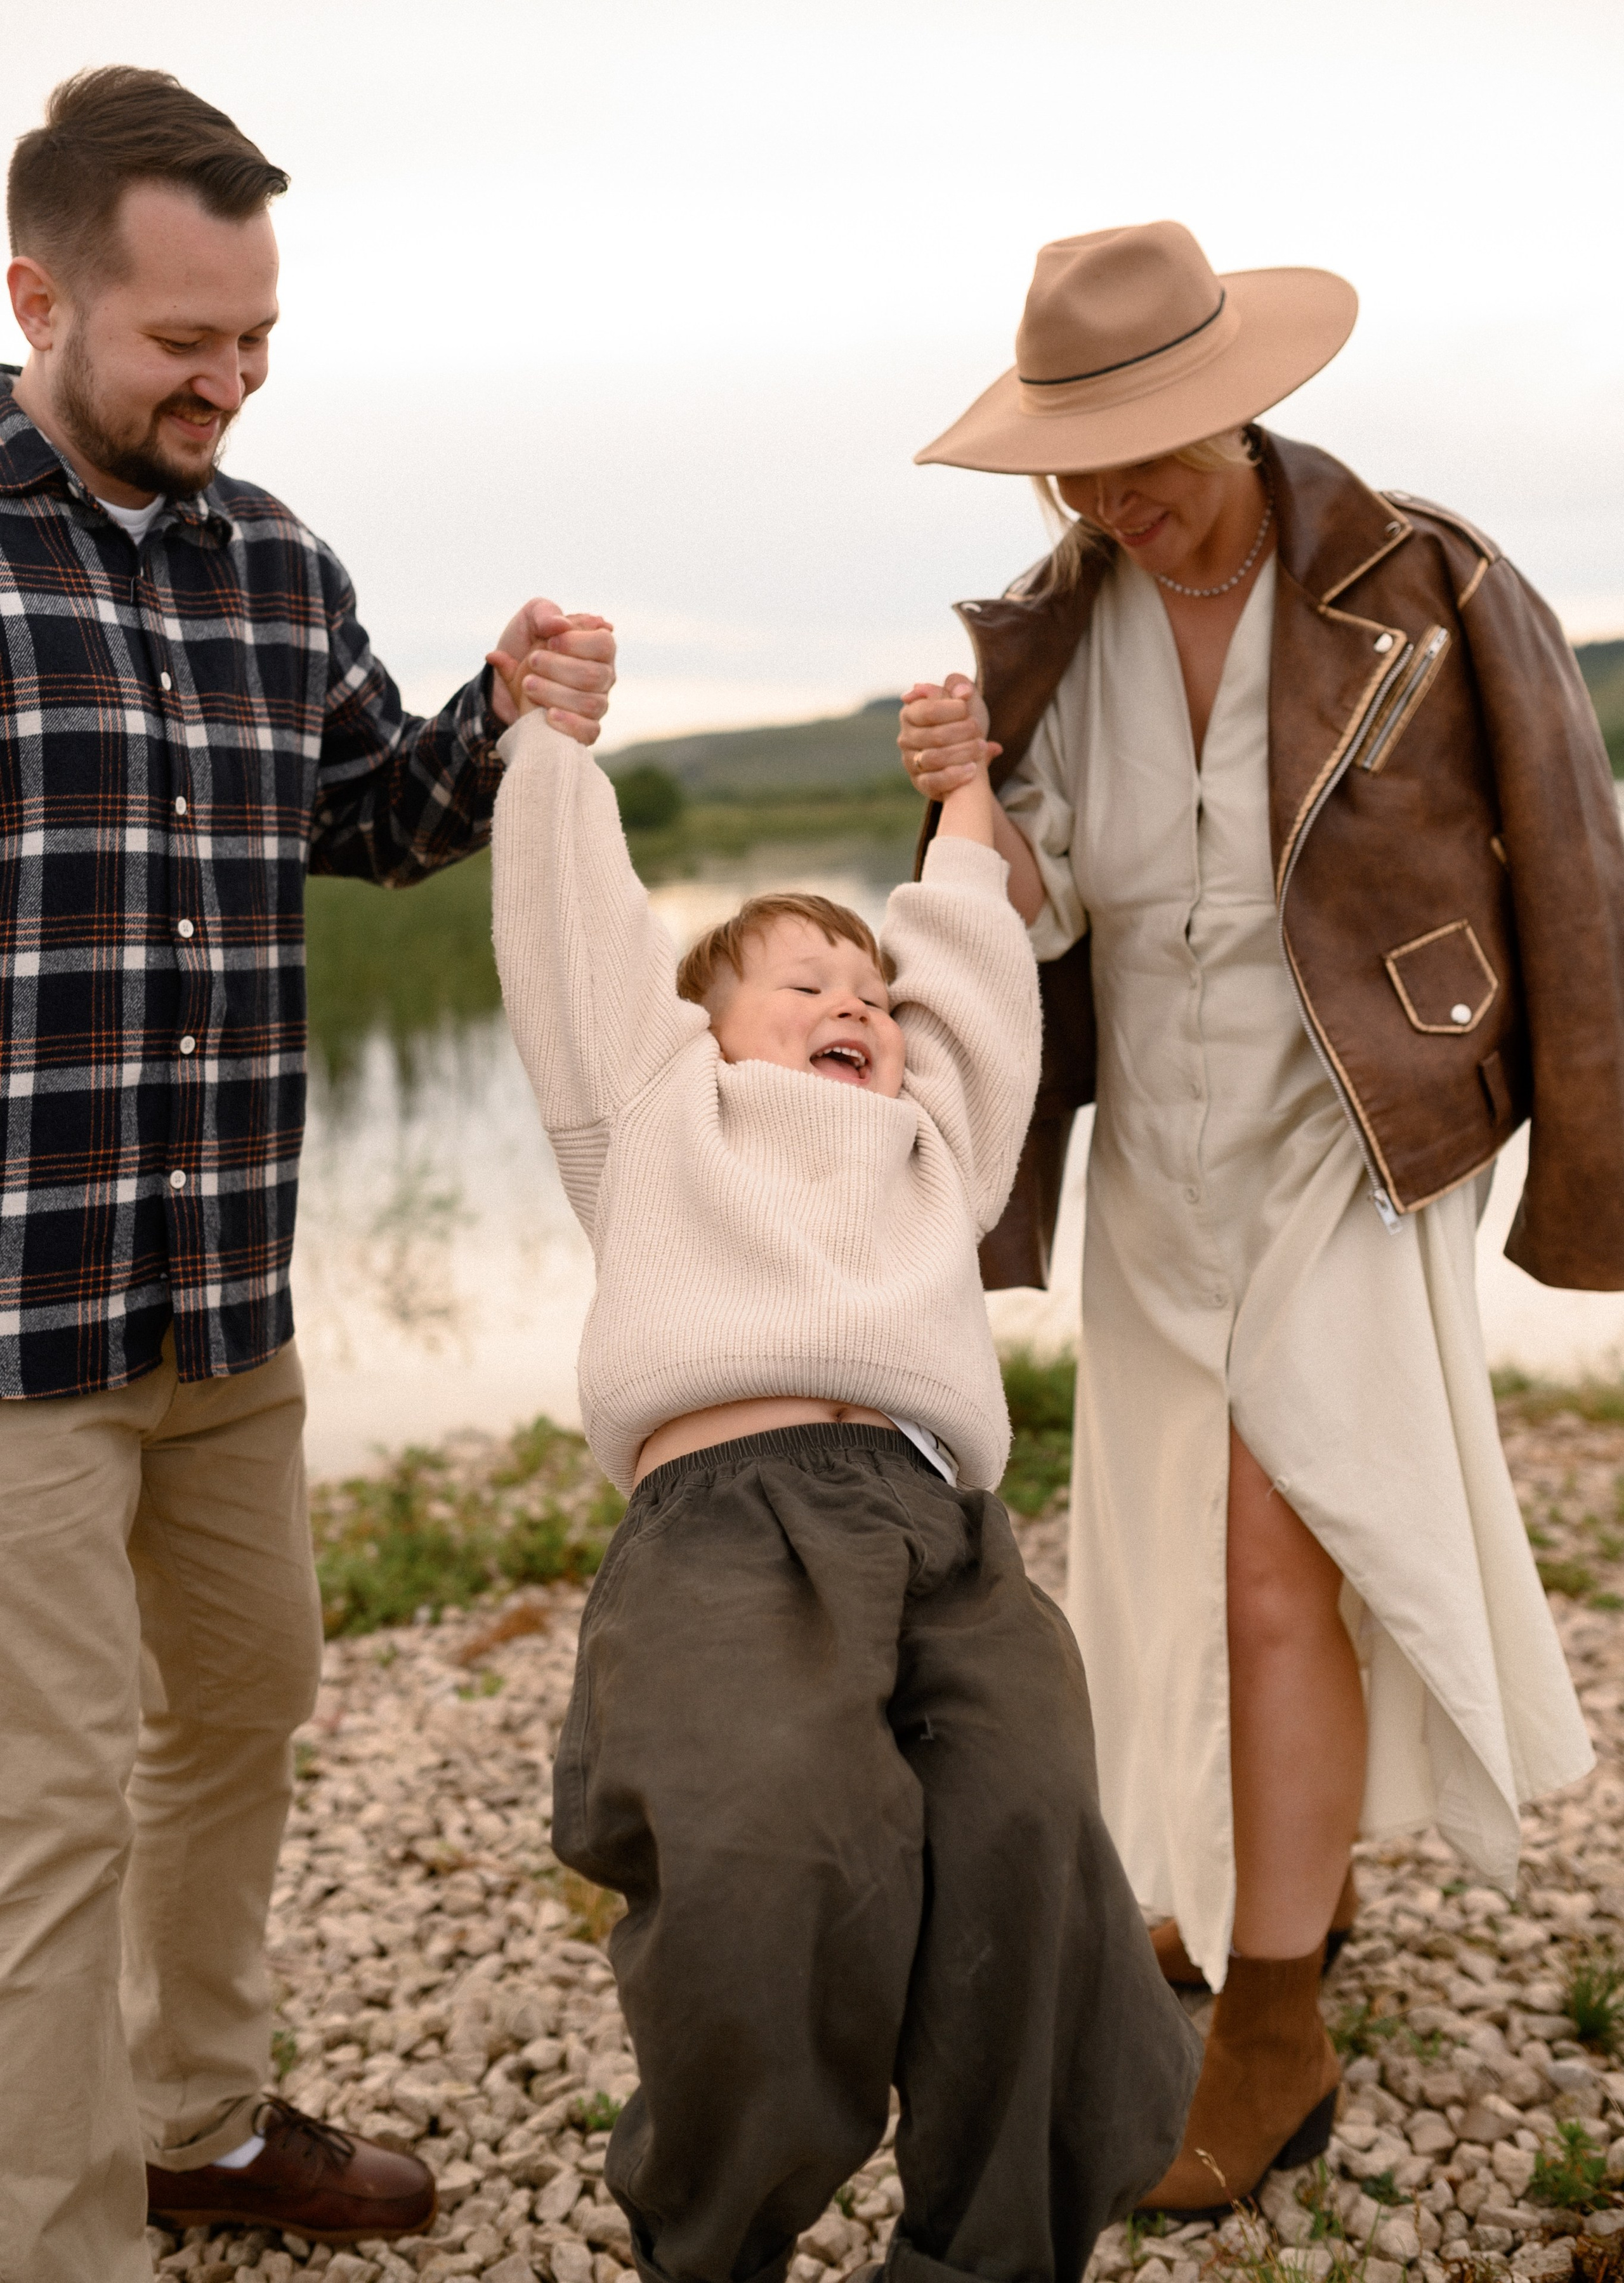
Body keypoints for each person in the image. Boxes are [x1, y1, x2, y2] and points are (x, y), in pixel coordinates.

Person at [898, 219, 1623, 2213]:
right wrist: (967, 802)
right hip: (1164, 1164)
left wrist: (1585, 1160)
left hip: (1356, 1137)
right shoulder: (1049, 626)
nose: (1116, 494)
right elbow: (1034, 919)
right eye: (1079, 458)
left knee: (1279, 1555)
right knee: (1153, 1559)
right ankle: (1237, 1876)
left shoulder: (1428, 580)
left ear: (1241, 402)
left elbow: (1569, 845)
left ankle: (1273, 2018)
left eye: (1150, 445)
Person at [0, 66, 617, 2282]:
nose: (230, 382)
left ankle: (194, 2122)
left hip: (227, 1315)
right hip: (18, 1340)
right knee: (46, 1815)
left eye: (259, 340)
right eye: (186, 341)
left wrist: (507, 702)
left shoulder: (275, 560)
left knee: (246, 1710)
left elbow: (374, 814)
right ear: (38, 290)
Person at [487, 657, 1201, 2283]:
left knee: (1031, 1849)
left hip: (939, 1529)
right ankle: (716, 2242)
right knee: (770, 1862)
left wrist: (963, 794)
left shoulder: (932, 1145)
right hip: (723, 1531)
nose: (853, 1004)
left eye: (866, 988)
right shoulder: (654, 1117)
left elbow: (975, 968)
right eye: (802, 981)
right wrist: (551, 746)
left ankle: (985, 2258)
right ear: (707, 1028)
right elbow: (574, 939)